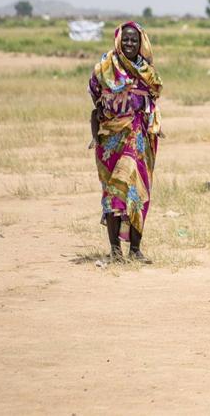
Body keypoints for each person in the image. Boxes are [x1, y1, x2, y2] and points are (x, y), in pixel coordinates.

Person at [89, 21, 163, 262]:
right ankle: (115, 251)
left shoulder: (146, 71)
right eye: (126, 39)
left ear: (141, 43)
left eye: (135, 40)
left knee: (138, 191)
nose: (130, 43)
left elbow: (154, 98)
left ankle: (135, 250)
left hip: (139, 139)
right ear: (118, 40)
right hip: (110, 139)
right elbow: (95, 96)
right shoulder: (105, 67)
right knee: (113, 193)